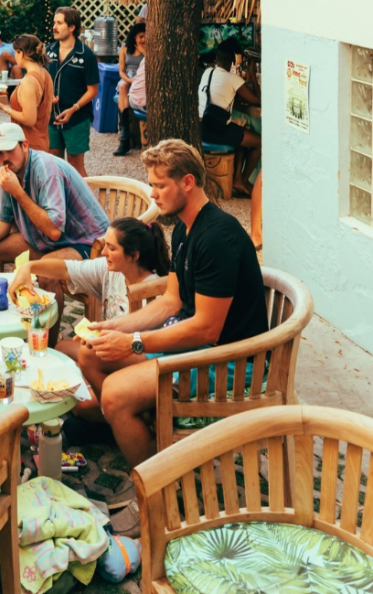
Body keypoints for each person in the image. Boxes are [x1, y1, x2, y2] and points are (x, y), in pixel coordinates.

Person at [77, 139, 267, 471]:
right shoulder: (184, 229)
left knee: (114, 394)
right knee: (90, 353)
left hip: (229, 364)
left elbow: (207, 327)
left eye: (159, 185)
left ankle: (156, 487)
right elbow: (170, 302)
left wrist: (135, 341)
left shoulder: (218, 237)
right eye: (151, 185)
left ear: (188, 182)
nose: (152, 194)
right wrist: (110, 328)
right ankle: (138, 439)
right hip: (193, 350)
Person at [0, 123, 109, 345]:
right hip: (45, 240)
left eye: (10, 150)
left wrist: (18, 192)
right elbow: (2, 221)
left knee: (47, 271)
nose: (4, 158)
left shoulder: (46, 171)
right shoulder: (8, 173)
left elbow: (53, 230)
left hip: (88, 244)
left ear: (25, 145)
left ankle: (48, 347)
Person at [9, 217, 169, 421]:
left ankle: (114, 417)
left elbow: (143, 355)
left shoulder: (154, 293)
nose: (103, 253)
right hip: (102, 352)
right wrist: (29, 267)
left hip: (133, 367)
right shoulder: (111, 270)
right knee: (60, 350)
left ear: (133, 256)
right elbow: (67, 269)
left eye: (111, 248)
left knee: (80, 403)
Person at [198, 44, 261, 196]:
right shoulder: (233, 78)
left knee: (244, 132)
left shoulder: (208, 72)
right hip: (217, 131)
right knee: (260, 142)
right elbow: (257, 100)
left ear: (217, 60)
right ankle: (242, 180)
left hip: (202, 127)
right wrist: (251, 72)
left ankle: (238, 178)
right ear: (233, 61)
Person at [46, 7, 100, 177]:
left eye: (59, 23)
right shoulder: (47, 52)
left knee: (75, 165)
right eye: (54, 22)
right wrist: (47, 96)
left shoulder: (87, 55)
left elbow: (93, 90)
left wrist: (73, 108)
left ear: (72, 27)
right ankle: (59, 202)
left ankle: (86, 203)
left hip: (76, 118)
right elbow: (41, 80)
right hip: (51, 118)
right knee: (54, 164)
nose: (54, 27)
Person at [0, 34, 53, 151]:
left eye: (15, 53)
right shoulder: (46, 74)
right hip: (42, 140)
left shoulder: (28, 82)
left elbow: (29, 119)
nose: (15, 57)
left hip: (29, 145)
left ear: (21, 53)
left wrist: (6, 108)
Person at [114, 23, 146, 157]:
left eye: (145, 36)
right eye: (140, 36)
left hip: (142, 78)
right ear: (133, 37)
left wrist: (145, 52)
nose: (143, 39)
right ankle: (124, 133)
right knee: (122, 86)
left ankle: (125, 138)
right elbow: (121, 71)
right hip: (128, 77)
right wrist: (130, 81)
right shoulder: (124, 49)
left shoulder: (149, 49)